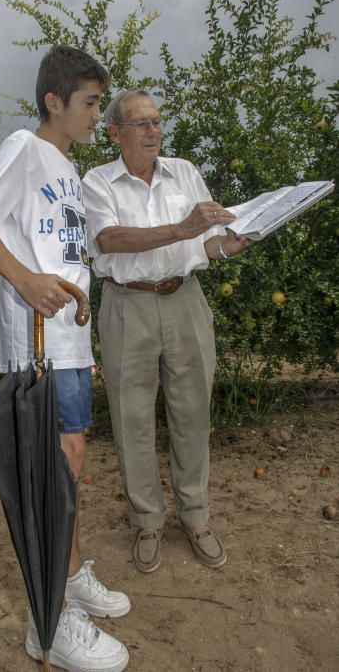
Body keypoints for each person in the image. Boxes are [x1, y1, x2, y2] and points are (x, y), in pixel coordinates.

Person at [0, 46, 130, 672]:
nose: (96, 114)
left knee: (71, 464)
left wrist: (76, 295)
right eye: (90, 103)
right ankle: (49, 620)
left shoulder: (65, 169)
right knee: (52, 471)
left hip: (67, 338)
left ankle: (69, 579)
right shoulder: (24, 150)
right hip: (35, 343)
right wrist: (30, 282)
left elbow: (59, 253)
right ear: (54, 102)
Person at [82, 89, 251, 575]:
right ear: (115, 133)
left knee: (193, 411)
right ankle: (148, 522)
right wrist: (181, 229)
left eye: (156, 121)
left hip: (185, 299)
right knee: (131, 418)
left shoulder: (186, 172)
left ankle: (195, 518)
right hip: (126, 304)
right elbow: (108, 238)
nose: (153, 130)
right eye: (140, 123)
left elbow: (207, 244)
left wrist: (232, 243)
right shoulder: (97, 182)